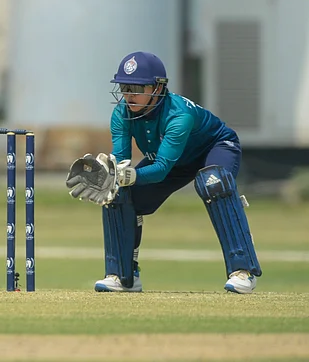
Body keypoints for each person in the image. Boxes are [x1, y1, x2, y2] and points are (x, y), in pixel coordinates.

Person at [65, 51, 261, 294]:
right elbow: (122, 162)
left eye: (138, 87)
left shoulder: (179, 116)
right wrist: (112, 175)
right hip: (170, 160)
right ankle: (123, 276)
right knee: (118, 193)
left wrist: (131, 176)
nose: (129, 94)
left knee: (214, 184)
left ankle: (243, 271)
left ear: (158, 88)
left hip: (214, 147)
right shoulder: (121, 114)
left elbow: (160, 171)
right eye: (125, 87)